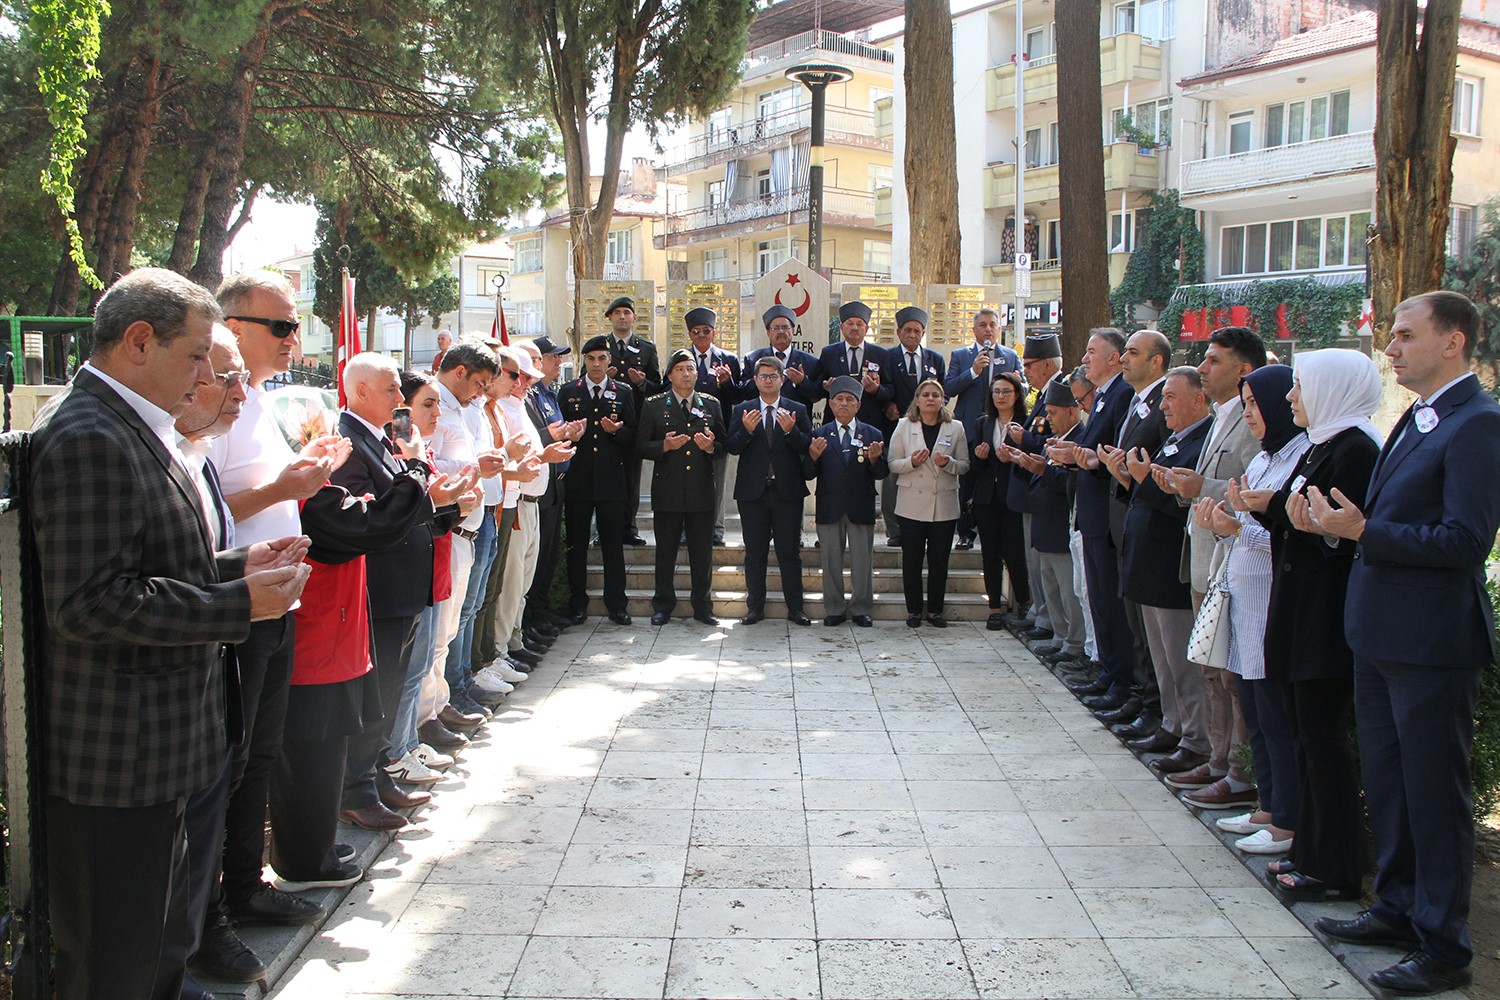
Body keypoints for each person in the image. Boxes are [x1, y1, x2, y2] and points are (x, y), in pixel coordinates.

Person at [29, 267, 311, 1000]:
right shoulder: (91, 434)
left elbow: (158, 561)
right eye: (195, 358)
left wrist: (240, 562)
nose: (201, 380)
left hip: (163, 747)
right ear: (137, 341)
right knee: (116, 962)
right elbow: (90, 603)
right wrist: (236, 605)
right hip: (120, 759)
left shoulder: (132, 426)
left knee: (158, 947)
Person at [1311, 291, 1500, 997]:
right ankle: (1395, 907)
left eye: (1404, 335)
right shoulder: (1416, 420)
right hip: (1381, 634)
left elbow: (1465, 541)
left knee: (1433, 796)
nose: (1389, 347)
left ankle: (1444, 945)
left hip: (1432, 643)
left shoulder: (1477, 425)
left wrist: (1365, 533)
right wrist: (1333, 527)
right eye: (1390, 336)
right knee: (1388, 785)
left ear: (1453, 342)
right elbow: (1382, 523)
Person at [204, 271, 349, 974]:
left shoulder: (258, 400)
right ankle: (213, 911)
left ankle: (246, 884)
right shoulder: (215, 405)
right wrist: (288, 486)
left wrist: (303, 474)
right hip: (238, 600)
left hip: (276, 594)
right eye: (283, 327)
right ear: (233, 326)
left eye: (296, 326)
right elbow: (213, 501)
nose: (297, 339)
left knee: (259, 753)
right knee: (229, 762)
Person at [1241, 349, 1382, 881]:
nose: (1293, 397)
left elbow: (1335, 525)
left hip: (1325, 613)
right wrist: (1277, 509)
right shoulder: (1323, 445)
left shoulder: (1356, 448)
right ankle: (1311, 850)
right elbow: (1297, 511)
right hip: (1299, 606)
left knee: (1323, 742)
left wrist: (1277, 509)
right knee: (1306, 737)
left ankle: (1335, 863)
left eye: (1300, 387)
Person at [332, 353, 469, 829]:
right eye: (390, 390)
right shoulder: (349, 441)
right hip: (381, 586)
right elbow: (372, 517)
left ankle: (375, 774)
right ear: (361, 392)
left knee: (389, 689)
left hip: (405, 584)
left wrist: (444, 503)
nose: (398, 399)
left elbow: (410, 505)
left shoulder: (383, 439)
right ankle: (357, 786)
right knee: (377, 690)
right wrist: (415, 473)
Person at [1194, 364, 1306, 871]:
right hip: (1244, 595)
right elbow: (1244, 522)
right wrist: (1223, 524)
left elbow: (1285, 526)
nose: (1252, 415)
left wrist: (1240, 524)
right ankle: (1267, 805)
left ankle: (1287, 816)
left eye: (1257, 405)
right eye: (1248, 406)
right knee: (1256, 711)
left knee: (1277, 715)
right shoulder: (1265, 458)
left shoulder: (1302, 455)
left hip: (1273, 603)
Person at [1153, 326, 1265, 807]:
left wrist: (1203, 488)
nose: (1202, 368)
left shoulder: (1254, 416)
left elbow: (1256, 490)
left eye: (1213, 361)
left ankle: (1240, 772)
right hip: (1207, 559)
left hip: (1235, 562)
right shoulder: (1225, 414)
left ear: (1243, 369)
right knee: (1214, 672)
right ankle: (1219, 761)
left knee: (1232, 677)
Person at [1115, 367, 1214, 777]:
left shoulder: (1202, 441)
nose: (1162, 406)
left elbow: (1182, 502)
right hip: (1147, 562)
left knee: (1181, 661)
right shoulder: (1174, 440)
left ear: (1198, 400)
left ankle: (1196, 738)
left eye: (1171, 397)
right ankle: (1173, 724)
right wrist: (1129, 477)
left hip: (1171, 566)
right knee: (1162, 657)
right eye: (1162, 398)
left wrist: (1144, 481)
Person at [1046, 328, 1138, 711]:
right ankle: (1110, 674)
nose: (1084, 359)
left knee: (1110, 604)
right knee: (1098, 599)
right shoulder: (1103, 397)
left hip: (1107, 512)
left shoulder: (1122, 395)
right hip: (1092, 512)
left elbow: (1114, 452)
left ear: (1113, 358)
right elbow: (1094, 448)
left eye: (1091, 352)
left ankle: (1124, 683)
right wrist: (1076, 451)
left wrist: (1086, 458)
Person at [637, 348, 727, 625]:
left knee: (702, 553)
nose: (686, 374)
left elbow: (724, 446)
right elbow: (640, 446)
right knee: (665, 552)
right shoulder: (654, 405)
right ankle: (663, 605)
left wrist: (711, 446)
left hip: (701, 490)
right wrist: (663, 446)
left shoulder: (711, 404)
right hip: (668, 491)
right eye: (680, 369)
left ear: (697, 374)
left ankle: (703, 606)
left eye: (690, 369)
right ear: (669, 375)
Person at [726, 355, 815, 626]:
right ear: (755, 380)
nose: (767, 380)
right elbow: (732, 446)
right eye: (762, 376)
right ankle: (755, 608)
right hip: (752, 493)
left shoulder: (796, 408)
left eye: (772, 376)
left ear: (782, 379)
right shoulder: (742, 409)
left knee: (789, 553)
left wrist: (790, 432)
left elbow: (806, 447)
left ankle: (796, 608)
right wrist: (747, 430)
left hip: (786, 491)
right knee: (755, 553)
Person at [559, 335, 637, 625]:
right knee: (577, 545)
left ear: (609, 361)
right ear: (584, 361)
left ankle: (617, 604)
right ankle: (577, 603)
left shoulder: (624, 392)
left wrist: (617, 431)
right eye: (590, 358)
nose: (596, 364)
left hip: (611, 482)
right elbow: (559, 431)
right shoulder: (569, 391)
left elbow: (633, 436)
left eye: (601, 358)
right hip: (578, 481)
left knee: (612, 546)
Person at [804, 375, 888, 626]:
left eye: (849, 400)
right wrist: (813, 456)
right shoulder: (819, 434)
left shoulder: (872, 433)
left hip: (860, 506)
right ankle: (834, 608)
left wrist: (875, 460)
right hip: (829, 506)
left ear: (858, 405)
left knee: (863, 561)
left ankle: (861, 608)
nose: (843, 404)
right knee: (830, 561)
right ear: (830, 404)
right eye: (838, 399)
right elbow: (807, 474)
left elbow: (881, 473)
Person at [885, 378, 969, 627]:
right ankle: (913, 611)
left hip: (942, 504)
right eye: (925, 395)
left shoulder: (956, 428)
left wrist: (949, 464)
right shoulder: (903, 426)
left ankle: (935, 611)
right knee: (911, 560)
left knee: (939, 560)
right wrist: (911, 461)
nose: (931, 399)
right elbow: (892, 463)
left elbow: (964, 465)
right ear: (917, 400)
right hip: (911, 504)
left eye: (936, 395)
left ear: (943, 400)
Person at [945, 307, 1021, 549]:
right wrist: (973, 372)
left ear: (999, 328)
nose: (988, 329)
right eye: (983, 325)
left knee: (997, 478)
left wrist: (1018, 383)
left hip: (1000, 427)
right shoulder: (961, 355)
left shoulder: (1009, 355)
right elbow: (949, 387)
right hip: (970, 427)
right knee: (968, 480)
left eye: (992, 325)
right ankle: (966, 531)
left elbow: (1025, 388)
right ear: (974, 329)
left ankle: (997, 525)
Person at [523, 335, 581, 636]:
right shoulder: (528, 396)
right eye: (552, 357)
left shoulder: (548, 394)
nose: (559, 362)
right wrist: (553, 435)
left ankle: (541, 611)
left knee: (547, 555)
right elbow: (529, 441)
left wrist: (570, 433)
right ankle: (530, 618)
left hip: (556, 483)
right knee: (534, 558)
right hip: (536, 485)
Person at [1025, 375, 1087, 659]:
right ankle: (1060, 636)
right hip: (1045, 524)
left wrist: (1043, 470)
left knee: (1069, 591)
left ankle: (1074, 643)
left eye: (1052, 413)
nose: (1047, 418)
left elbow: (1070, 483)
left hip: (1062, 526)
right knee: (1051, 586)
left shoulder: (1079, 441)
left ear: (1072, 411)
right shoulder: (1056, 440)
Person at [1011, 333, 1065, 639]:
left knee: (1050, 568)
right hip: (1033, 488)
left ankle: (1053, 624)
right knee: (1037, 564)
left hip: (1050, 488)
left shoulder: (1060, 391)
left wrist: (1025, 440)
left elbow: (1056, 440)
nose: (1026, 370)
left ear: (1047, 364)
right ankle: (1041, 615)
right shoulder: (1042, 394)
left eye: (1030, 365)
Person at [969, 369, 1031, 630]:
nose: (1001, 396)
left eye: (1007, 391)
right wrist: (980, 457)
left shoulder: (1026, 424)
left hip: (1014, 497)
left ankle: (1024, 605)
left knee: (1016, 553)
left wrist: (1014, 456)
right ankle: (995, 607)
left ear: (1017, 394)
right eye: (996, 392)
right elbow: (973, 466)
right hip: (987, 498)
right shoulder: (983, 423)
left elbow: (1033, 458)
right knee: (990, 554)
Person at [882, 306, 945, 546]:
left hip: (928, 425)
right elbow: (884, 387)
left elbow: (943, 393)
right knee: (893, 478)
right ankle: (895, 530)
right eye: (907, 330)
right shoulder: (888, 357)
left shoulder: (935, 359)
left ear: (923, 333)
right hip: (896, 426)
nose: (911, 334)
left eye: (916, 331)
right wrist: (887, 404)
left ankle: (925, 525)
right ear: (898, 332)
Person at [604, 296, 661, 543]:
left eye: (627, 312)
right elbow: (584, 379)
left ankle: (629, 528)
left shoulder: (646, 348)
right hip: (606, 424)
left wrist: (641, 383)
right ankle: (606, 530)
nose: (622, 317)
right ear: (610, 318)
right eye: (617, 313)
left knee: (631, 479)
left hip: (634, 423)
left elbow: (658, 387)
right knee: (606, 477)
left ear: (634, 317)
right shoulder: (601, 346)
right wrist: (602, 376)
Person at [685, 306, 742, 545]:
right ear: (690, 334)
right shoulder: (681, 358)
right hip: (687, 430)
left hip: (718, 431)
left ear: (714, 333)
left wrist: (726, 383)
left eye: (706, 331)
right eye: (696, 331)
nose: (701, 335)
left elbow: (738, 398)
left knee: (717, 482)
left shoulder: (728, 359)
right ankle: (687, 530)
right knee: (687, 481)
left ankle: (716, 528)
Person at [816, 301, 892, 431]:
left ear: (866, 328)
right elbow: (816, 388)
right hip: (836, 423)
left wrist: (877, 389)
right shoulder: (829, 353)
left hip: (870, 424)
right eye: (850, 323)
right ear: (842, 327)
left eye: (859, 324)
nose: (854, 328)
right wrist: (826, 388)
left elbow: (891, 389)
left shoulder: (881, 354)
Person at [742, 304, 819, 410]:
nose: (781, 331)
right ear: (768, 333)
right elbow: (742, 394)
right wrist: (761, 378)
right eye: (775, 328)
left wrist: (802, 382)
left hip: (796, 422)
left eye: (785, 327)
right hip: (762, 421)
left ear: (793, 331)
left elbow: (816, 396)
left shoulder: (809, 362)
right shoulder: (753, 359)